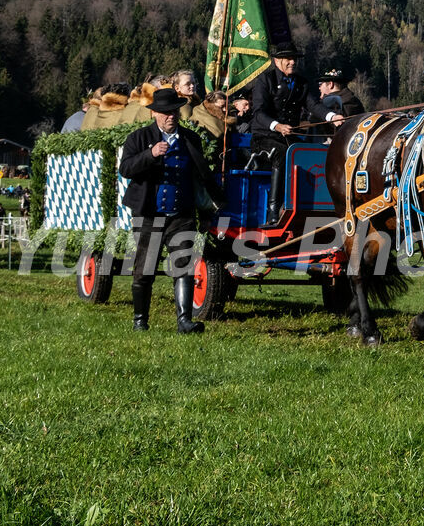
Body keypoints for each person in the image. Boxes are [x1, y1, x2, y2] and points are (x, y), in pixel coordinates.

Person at [118, 88, 224, 333]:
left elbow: (201, 177)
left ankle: (184, 322)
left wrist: (208, 210)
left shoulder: (191, 139)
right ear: (154, 113)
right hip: (148, 214)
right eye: (165, 112)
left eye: (174, 111)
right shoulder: (138, 138)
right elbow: (125, 169)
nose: (171, 116)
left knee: (184, 266)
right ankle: (140, 321)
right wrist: (150, 154)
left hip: (181, 215)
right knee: (144, 269)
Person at [249, 44, 309, 224]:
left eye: (294, 59)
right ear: (276, 61)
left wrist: (332, 116)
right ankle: (274, 211)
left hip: (289, 137)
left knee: (308, 154)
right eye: (288, 59)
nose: (292, 62)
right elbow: (258, 112)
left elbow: (313, 105)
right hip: (263, 138)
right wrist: (277, 126)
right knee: (282, 154)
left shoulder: (301, 83)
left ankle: (306, 205)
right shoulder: (264, 80)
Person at [309, 64, 365, 128]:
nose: (319, 88)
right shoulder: (355, 101)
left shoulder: (328, 102)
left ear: (330, 84)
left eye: (320, 84)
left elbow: (312, 119)